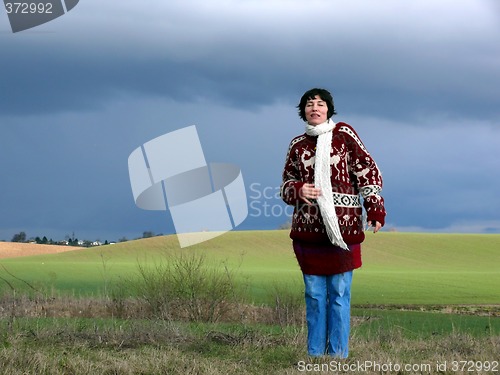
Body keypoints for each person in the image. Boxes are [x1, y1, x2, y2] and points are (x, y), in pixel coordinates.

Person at [280, 88, 386, 358]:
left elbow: (367, 170)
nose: (314, 108)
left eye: (320, 104)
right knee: (315, 297)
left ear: (329, 109)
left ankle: (338, 356)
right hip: (308, 233)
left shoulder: (344, 136)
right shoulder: (297, 145)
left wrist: (375, 207)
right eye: (309, 104)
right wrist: (299, 189)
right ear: (302, 110)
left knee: (339, 296)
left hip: (343, 233)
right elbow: (285, 186)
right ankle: (315, 356)